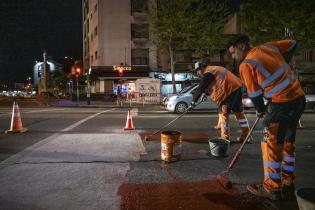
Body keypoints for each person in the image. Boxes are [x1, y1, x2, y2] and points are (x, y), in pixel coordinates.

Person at [227, 34, 306, 200]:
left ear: (242, 46)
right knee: (287, 141)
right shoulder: (269, 47)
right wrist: (283, 60)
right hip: (298, 99)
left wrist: (261, 110)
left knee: (271, 145)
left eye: (233, 53)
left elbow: (255, 95)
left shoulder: (246, 64)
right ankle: (287, 180)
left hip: (280, 105)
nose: (234, 57)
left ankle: (272, 188)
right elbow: (293, 43)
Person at [190, 58, 250, 143]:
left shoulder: (208, 72)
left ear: (202, 68)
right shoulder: (215, 69)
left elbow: (201, 87)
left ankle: (225, 138)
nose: (197, 73)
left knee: (223, 114)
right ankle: (246, 136)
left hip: (228, 91)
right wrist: (206, 94)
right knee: (239, 113)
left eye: (197, 71)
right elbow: (214, 84)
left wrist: (193, 101)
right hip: (237, 88)